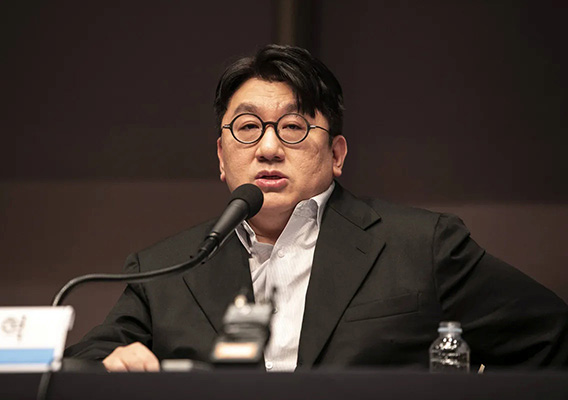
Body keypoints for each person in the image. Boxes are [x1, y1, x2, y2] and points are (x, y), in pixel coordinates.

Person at [65, 44, 568, 372]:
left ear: (337, 154)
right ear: (221, 156)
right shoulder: (164, 270)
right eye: (247, 128)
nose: (268, 148)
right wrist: (112, 366)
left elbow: (551, 338)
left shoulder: (421, 247)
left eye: (293, 127)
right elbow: (81, 362)